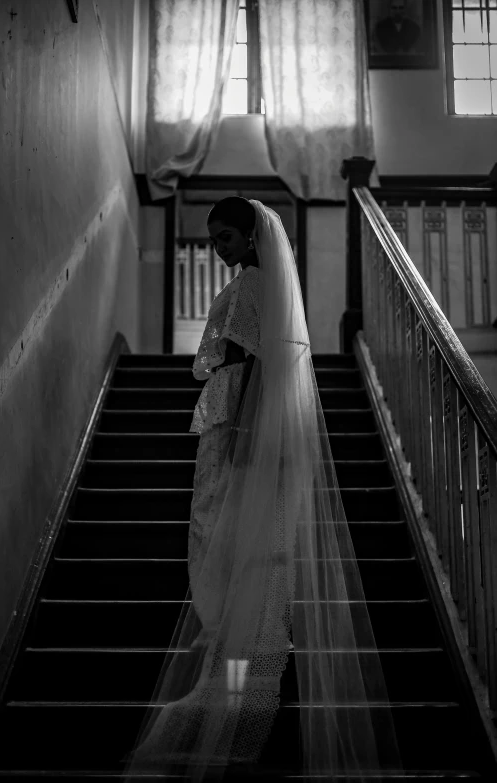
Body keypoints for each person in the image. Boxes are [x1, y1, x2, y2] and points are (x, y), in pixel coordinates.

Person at [123, 198, 401, 782]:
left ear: (253, 238)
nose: (221, 248)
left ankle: (235, 692)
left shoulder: (252, 284)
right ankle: (233, 684)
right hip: (239, 426)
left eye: (228, 237)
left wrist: (248, 433)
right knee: (244, 555)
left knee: (240, 553)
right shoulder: (262, 283)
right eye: (216, 239)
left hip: (243, 430)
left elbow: (256, 364)